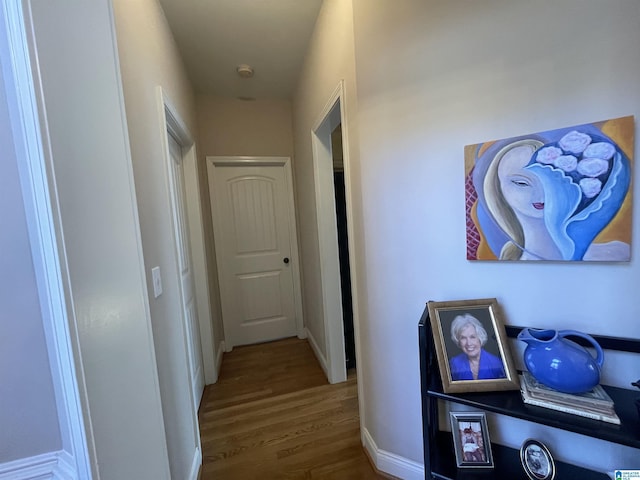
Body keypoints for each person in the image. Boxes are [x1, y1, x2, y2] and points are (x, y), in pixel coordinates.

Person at [449, 314, 506, 381]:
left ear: (480, 338)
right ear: (458, 341)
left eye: (472, 337)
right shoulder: (454, 363)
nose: (469, 343)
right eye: (463, 338)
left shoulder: (496, 363)